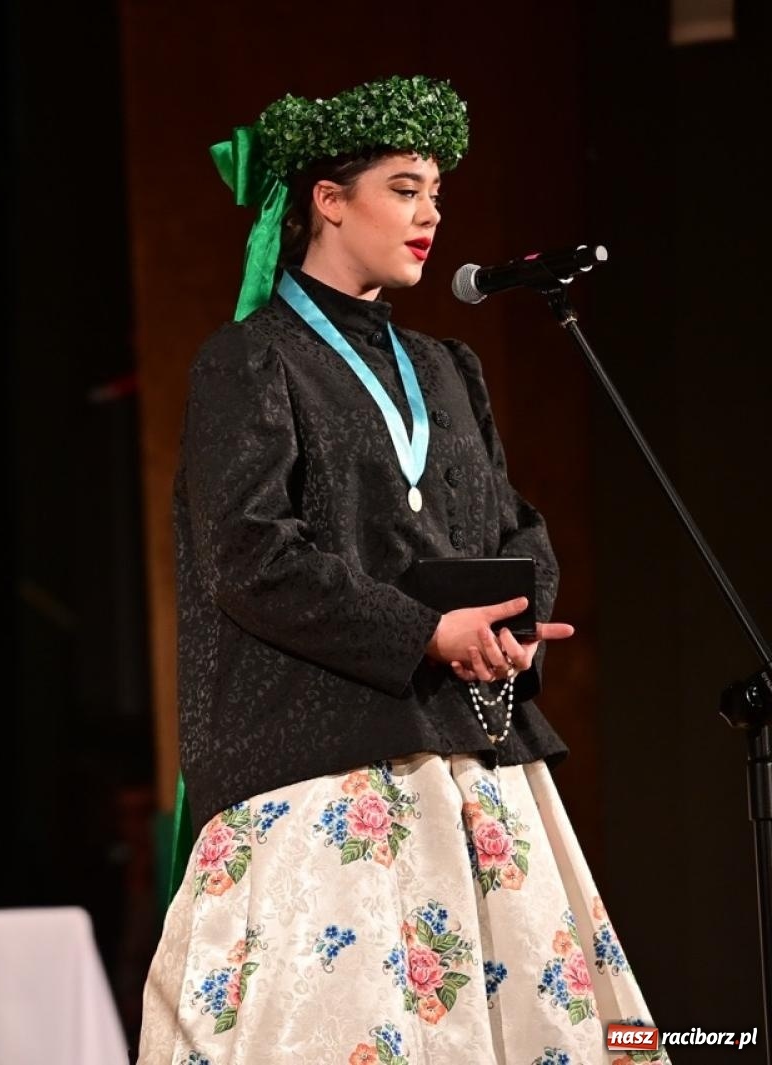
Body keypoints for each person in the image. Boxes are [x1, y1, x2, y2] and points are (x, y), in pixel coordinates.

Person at [141, 75, 665, 1064]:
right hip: (318, 769)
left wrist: (512, 623)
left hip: (470, 761)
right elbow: (248, 556)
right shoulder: (250, 360)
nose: (430, 216)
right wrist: (424, 632)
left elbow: (515, 527)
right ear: (328, 201)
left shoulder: (445, 369)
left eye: (436, 195)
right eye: (404, 189)